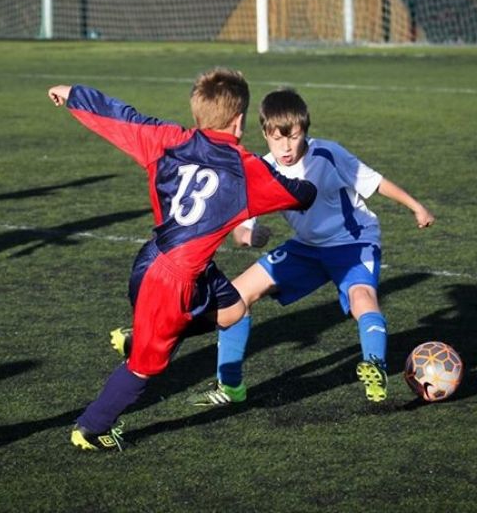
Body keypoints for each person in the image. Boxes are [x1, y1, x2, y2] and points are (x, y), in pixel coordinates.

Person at [48, 68, 316, 452]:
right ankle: (91, 428)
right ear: (239, 120)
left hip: (159, 261)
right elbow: (301, 195)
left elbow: (120, 116)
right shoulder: (246, 169)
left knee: (233, 311)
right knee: (145, 367)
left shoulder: (168, 139)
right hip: (170, 283)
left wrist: (74, 93)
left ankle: (142, 334)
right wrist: (304, 172)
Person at [185, 87, 434, 406]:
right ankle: (230, 386)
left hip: (353, 242)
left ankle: (374, 365)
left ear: (305, 131)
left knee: (361, 297)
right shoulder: (261, 169)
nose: (286, 147)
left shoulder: (328, 154)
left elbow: (375, 182)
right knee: (235, 296)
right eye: (278, 138)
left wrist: (416, 207)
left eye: (294, 137)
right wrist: (249, 235)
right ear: (265, 133)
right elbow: (241, 226)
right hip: (307, 247)